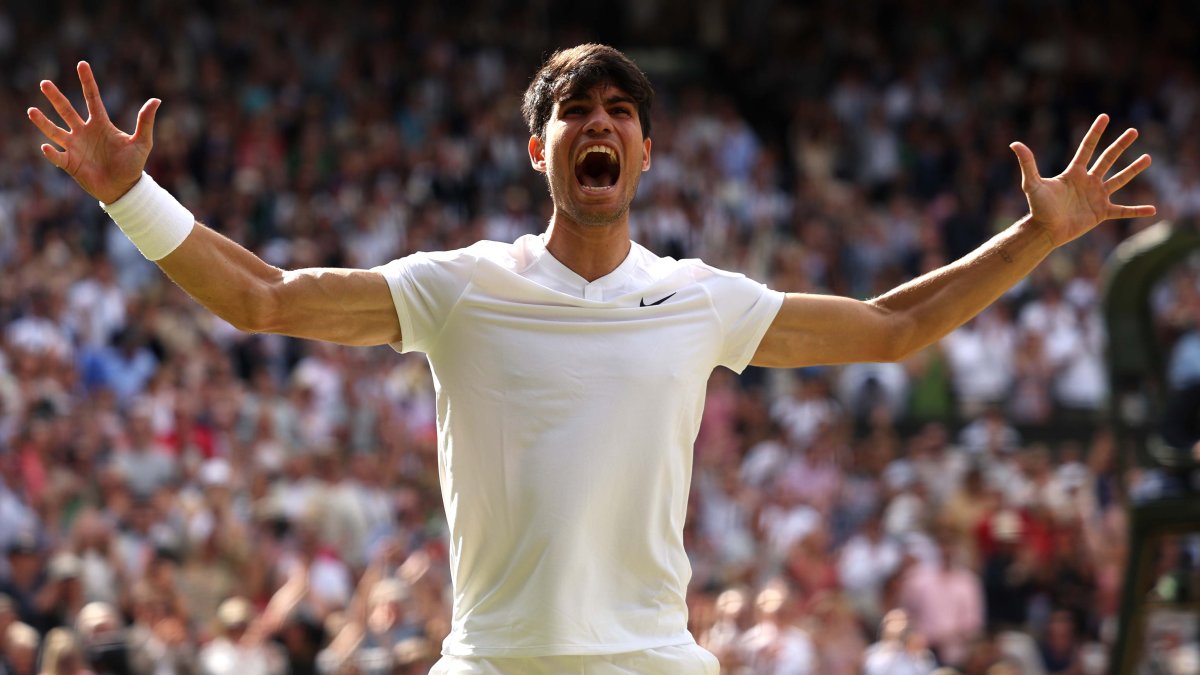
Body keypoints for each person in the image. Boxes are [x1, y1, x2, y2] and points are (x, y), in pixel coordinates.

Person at [28, 43, 1154, 674]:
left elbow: (893, 328)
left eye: (620, 111)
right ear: (541, 147)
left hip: (657, 663)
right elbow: (264, 300)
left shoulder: (700, 298)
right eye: (576, 111)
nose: (599, 124)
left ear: (647, 150)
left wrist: (1040, 233)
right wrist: (129, 192)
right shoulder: (460, 285)